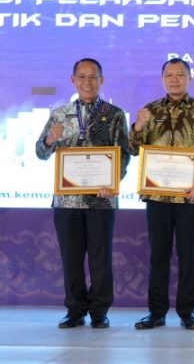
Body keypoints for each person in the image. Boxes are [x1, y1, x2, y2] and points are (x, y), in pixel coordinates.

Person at [36, 58, 131, 329]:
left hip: (102, 199)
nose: (87, 82)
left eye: (93, 77)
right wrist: (50, 140)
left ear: (101, 80)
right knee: (71, 258)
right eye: (82, 77)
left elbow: (124, 154)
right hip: (66, 200)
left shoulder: (114, 114)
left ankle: (99, 311)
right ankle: (75, 310)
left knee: (101, 258)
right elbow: (40, 152)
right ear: (73, 80)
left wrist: (113, 181)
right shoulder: (60, 114)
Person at [129, 58, 194, 330]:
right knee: (158, 256)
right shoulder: (150, 110)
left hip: (189, 196)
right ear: (162, 79)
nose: (174, 79)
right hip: (157, 197)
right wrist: (138, 126)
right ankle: (156, 313)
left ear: (189, 78)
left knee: (188, 256)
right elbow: (133, 149)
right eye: (169, 75)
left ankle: (187, 312)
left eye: (180, 75)